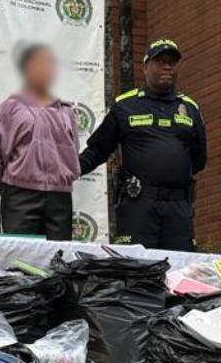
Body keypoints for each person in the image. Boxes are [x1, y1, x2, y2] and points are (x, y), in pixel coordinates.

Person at [78, 37, 207, 251]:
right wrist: (67, 170)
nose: (167, 67)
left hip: (178, 208)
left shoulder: (190, 108)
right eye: (160, 61)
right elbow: (98, 150)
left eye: (172, 62)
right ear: (145, 67)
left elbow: (199, 159)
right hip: (138, 204)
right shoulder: (125, 106)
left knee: (180, 266)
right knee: (136, 265)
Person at [0, 44, 79, 240]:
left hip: (59, 198)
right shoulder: (9, 108)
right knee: (21, 254)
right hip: (20, 195)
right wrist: (5, 187)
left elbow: (73, 151)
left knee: (57, 255)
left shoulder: (65, 111)